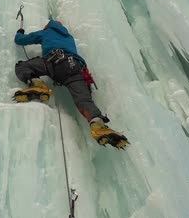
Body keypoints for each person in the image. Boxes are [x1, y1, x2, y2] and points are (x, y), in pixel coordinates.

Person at [13, 19, 128, 149]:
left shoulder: (46, 32)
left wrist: (20, 32)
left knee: (22, 67)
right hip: (76, 68)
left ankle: (37, 83)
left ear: (48, 27)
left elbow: (21, 40)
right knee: (84, 100)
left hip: (53, 62)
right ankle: (97, 124)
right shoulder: (69, 37)